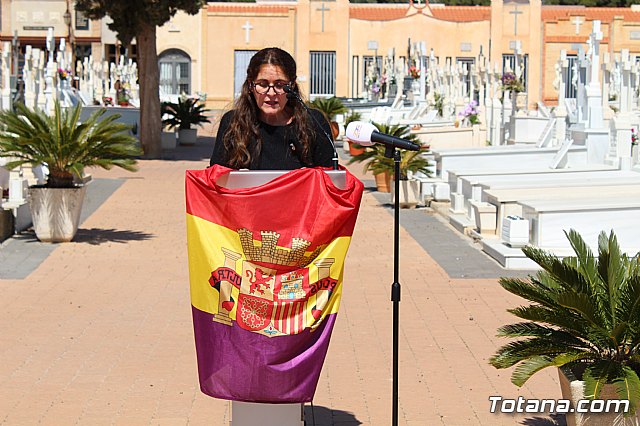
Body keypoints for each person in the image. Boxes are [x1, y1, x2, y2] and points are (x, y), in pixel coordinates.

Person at [210, 47, 335, 170]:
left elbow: (329, 178)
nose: (271, 93)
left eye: (280, 85)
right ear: (250, 85)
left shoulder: (313, 123)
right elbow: (216, 177)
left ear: (292, 85)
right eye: (262, 84)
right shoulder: (233, 123)